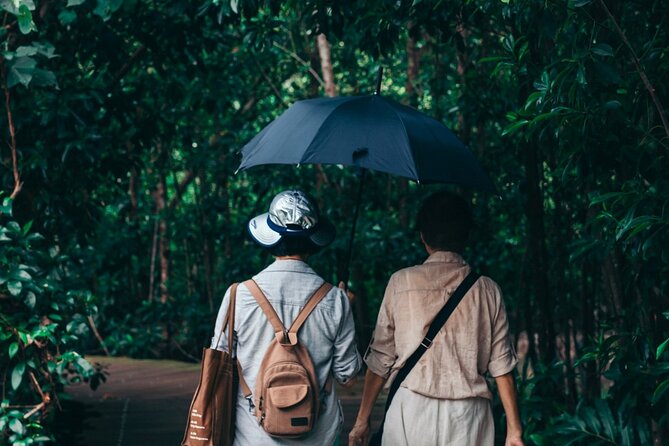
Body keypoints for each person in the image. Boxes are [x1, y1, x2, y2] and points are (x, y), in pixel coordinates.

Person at [348, 191, 524, 446]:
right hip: (469, 417)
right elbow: (502, 367)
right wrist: (514, 431)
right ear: (467, 237)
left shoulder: (401, 282)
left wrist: (362, 420)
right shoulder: (487, 289)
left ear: (423, 237)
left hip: (410, 411)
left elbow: (380, 358)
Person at [212, 189, 362, 445]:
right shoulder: (335, 300)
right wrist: (346, 308)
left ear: (272, 238)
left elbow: (219, 363)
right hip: (318, 436)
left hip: (253, 436)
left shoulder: (239, 294)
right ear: (312, 241)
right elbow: (347, 376)